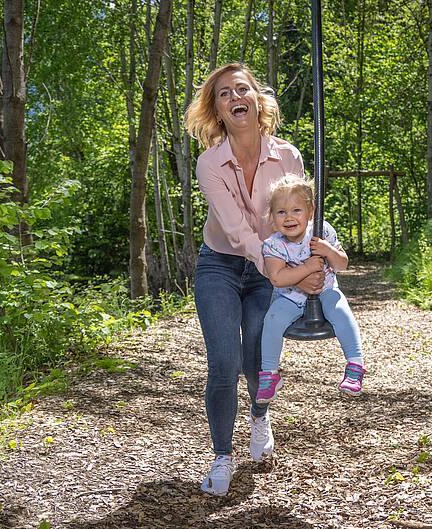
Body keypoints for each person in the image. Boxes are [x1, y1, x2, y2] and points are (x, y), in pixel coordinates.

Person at [183, 64, 325, 497]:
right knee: (224, 364)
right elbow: (237, 231)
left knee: (258, 360)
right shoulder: (209, 163)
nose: (234, 97)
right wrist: (284, 272)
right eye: (223, 93)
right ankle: (222, 457)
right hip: (221, 265)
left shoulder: (288, 155)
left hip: (271, 267)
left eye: (241, 89)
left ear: (257, 101)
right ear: (218, 110)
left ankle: (260, 418)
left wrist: (309, 262)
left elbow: (299, 216)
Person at [254, 175, 366, 405]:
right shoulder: (274, 244)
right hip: (290, 295)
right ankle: (269, 375)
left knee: (340, 311)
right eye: (281, 212)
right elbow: (277, 278)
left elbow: (342, 265)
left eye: (296, 210)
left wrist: (327, 250)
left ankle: (355, 365)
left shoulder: (321, 231)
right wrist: (306, 268)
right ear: (272, 218)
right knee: (272, 319)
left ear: (311, 211)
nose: (289, 217)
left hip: (325, 288)